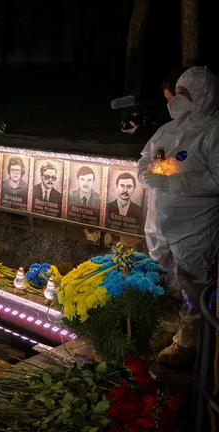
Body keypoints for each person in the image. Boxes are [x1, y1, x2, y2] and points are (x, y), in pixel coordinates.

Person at [137, 66, 219, 369]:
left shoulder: (213, 132)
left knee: (192, 286)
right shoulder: (168, 131)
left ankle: (191, 344)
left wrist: (175, 182)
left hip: (194, 229)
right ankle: (172, 329)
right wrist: (148, 174)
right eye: (178, 92)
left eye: (186, 94)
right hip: (160, 222)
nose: (177, 99)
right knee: (168, 279)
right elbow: (146, 160)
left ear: (204, 95)